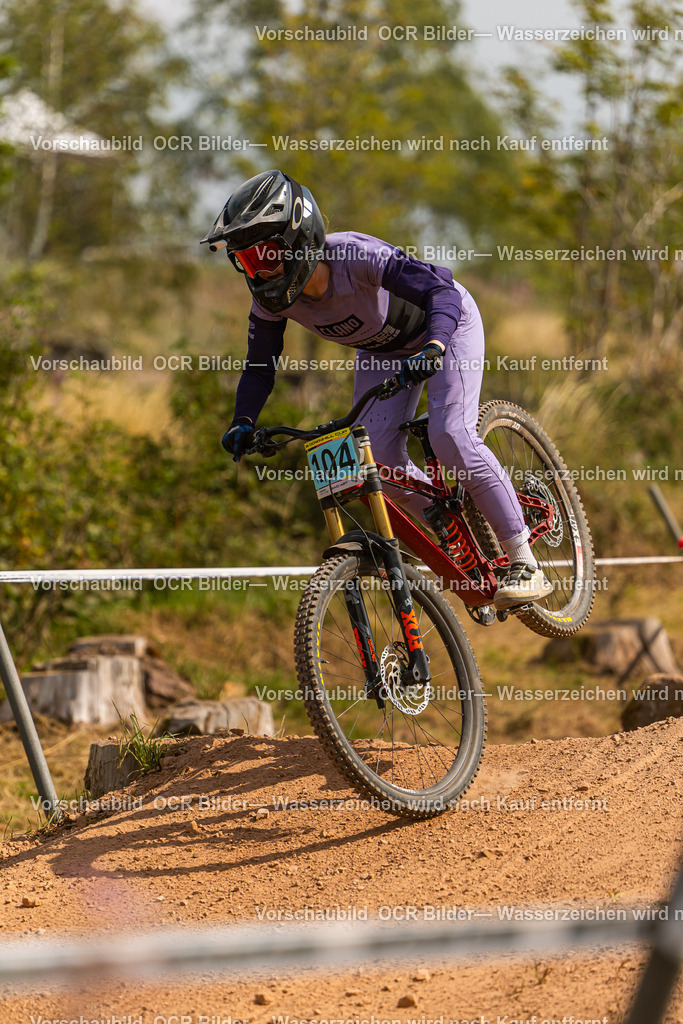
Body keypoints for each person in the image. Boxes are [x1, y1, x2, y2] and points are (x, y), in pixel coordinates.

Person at [200, 169, 552, 609]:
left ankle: (524, 560)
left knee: (449, 434)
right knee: (377, 463)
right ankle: (455, 531)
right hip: (381, 350)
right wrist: (243, 420)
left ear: (298, 238)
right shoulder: (270, 300)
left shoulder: (354, 256)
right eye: (247, 261)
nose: (258, 271)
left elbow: (440, 289)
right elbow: (259, 367)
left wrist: (437, 344)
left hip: (446, 325)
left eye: (266, 255)